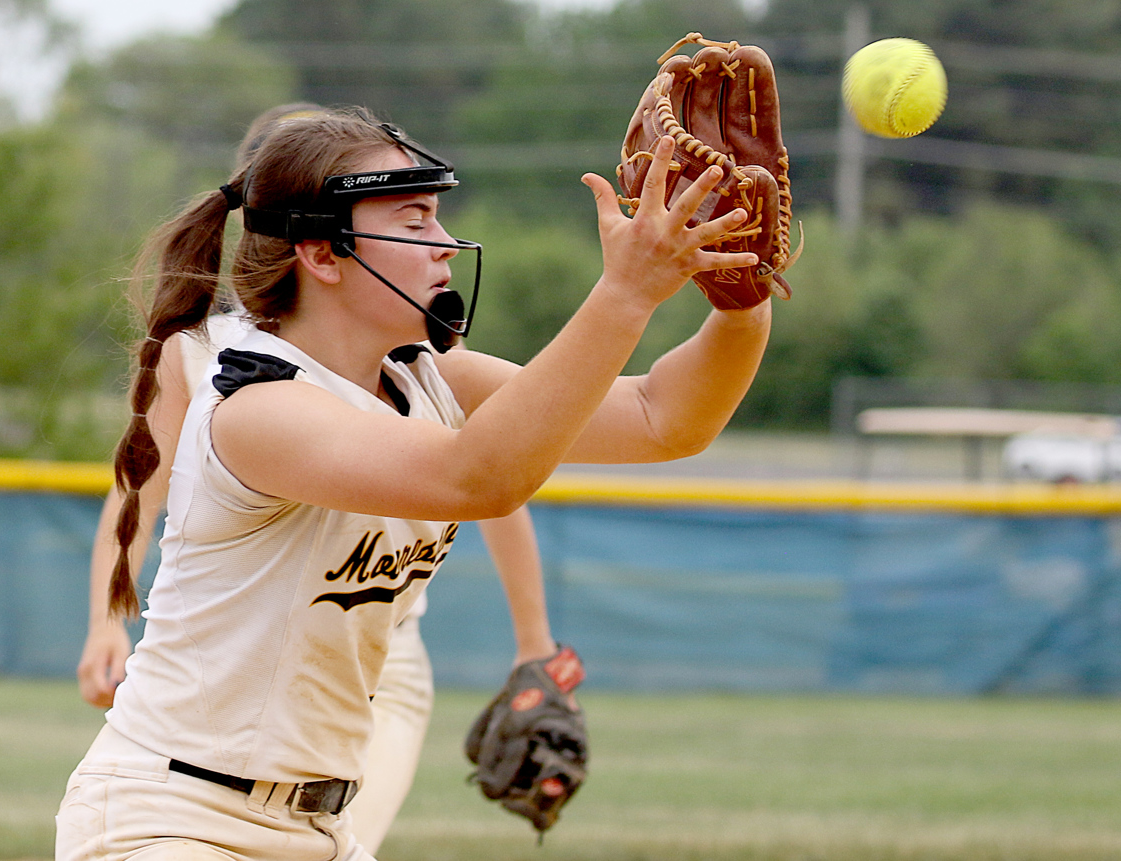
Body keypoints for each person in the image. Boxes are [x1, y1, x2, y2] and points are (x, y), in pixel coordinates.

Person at [56, 106, 769, 860]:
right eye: (414, 219)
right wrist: (625, 293)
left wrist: (740, 290)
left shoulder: (425, 376)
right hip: (174, 821)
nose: (445, 245)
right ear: (322, 255)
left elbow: (666, 418)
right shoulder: (256, 406)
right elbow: (479, 478)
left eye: (436, 217)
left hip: (319, 830)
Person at [74, 105, 558, 854]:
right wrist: (108, 611)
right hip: (200, 753)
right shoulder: (222, 364)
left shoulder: (404, 357)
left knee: (342, 818)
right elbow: (140, 480)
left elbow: (503, 474)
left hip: (377, 662)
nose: (439, 241)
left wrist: (535, 643)